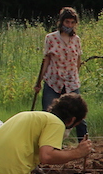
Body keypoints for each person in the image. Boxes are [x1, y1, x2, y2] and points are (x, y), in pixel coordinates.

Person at [37, 7, 87, 139]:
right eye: (67, 22)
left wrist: (75, 75)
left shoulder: (76, 39)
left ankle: (84, 142)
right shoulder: (51, 38)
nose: (69, 25)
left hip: (71, 82)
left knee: (79, 113)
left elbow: (78, 60)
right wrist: (39, 82)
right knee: (48, 113)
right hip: (53, 81)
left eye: (72, 22)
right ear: (61, 22)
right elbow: (46, 60)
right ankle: (47, 143)